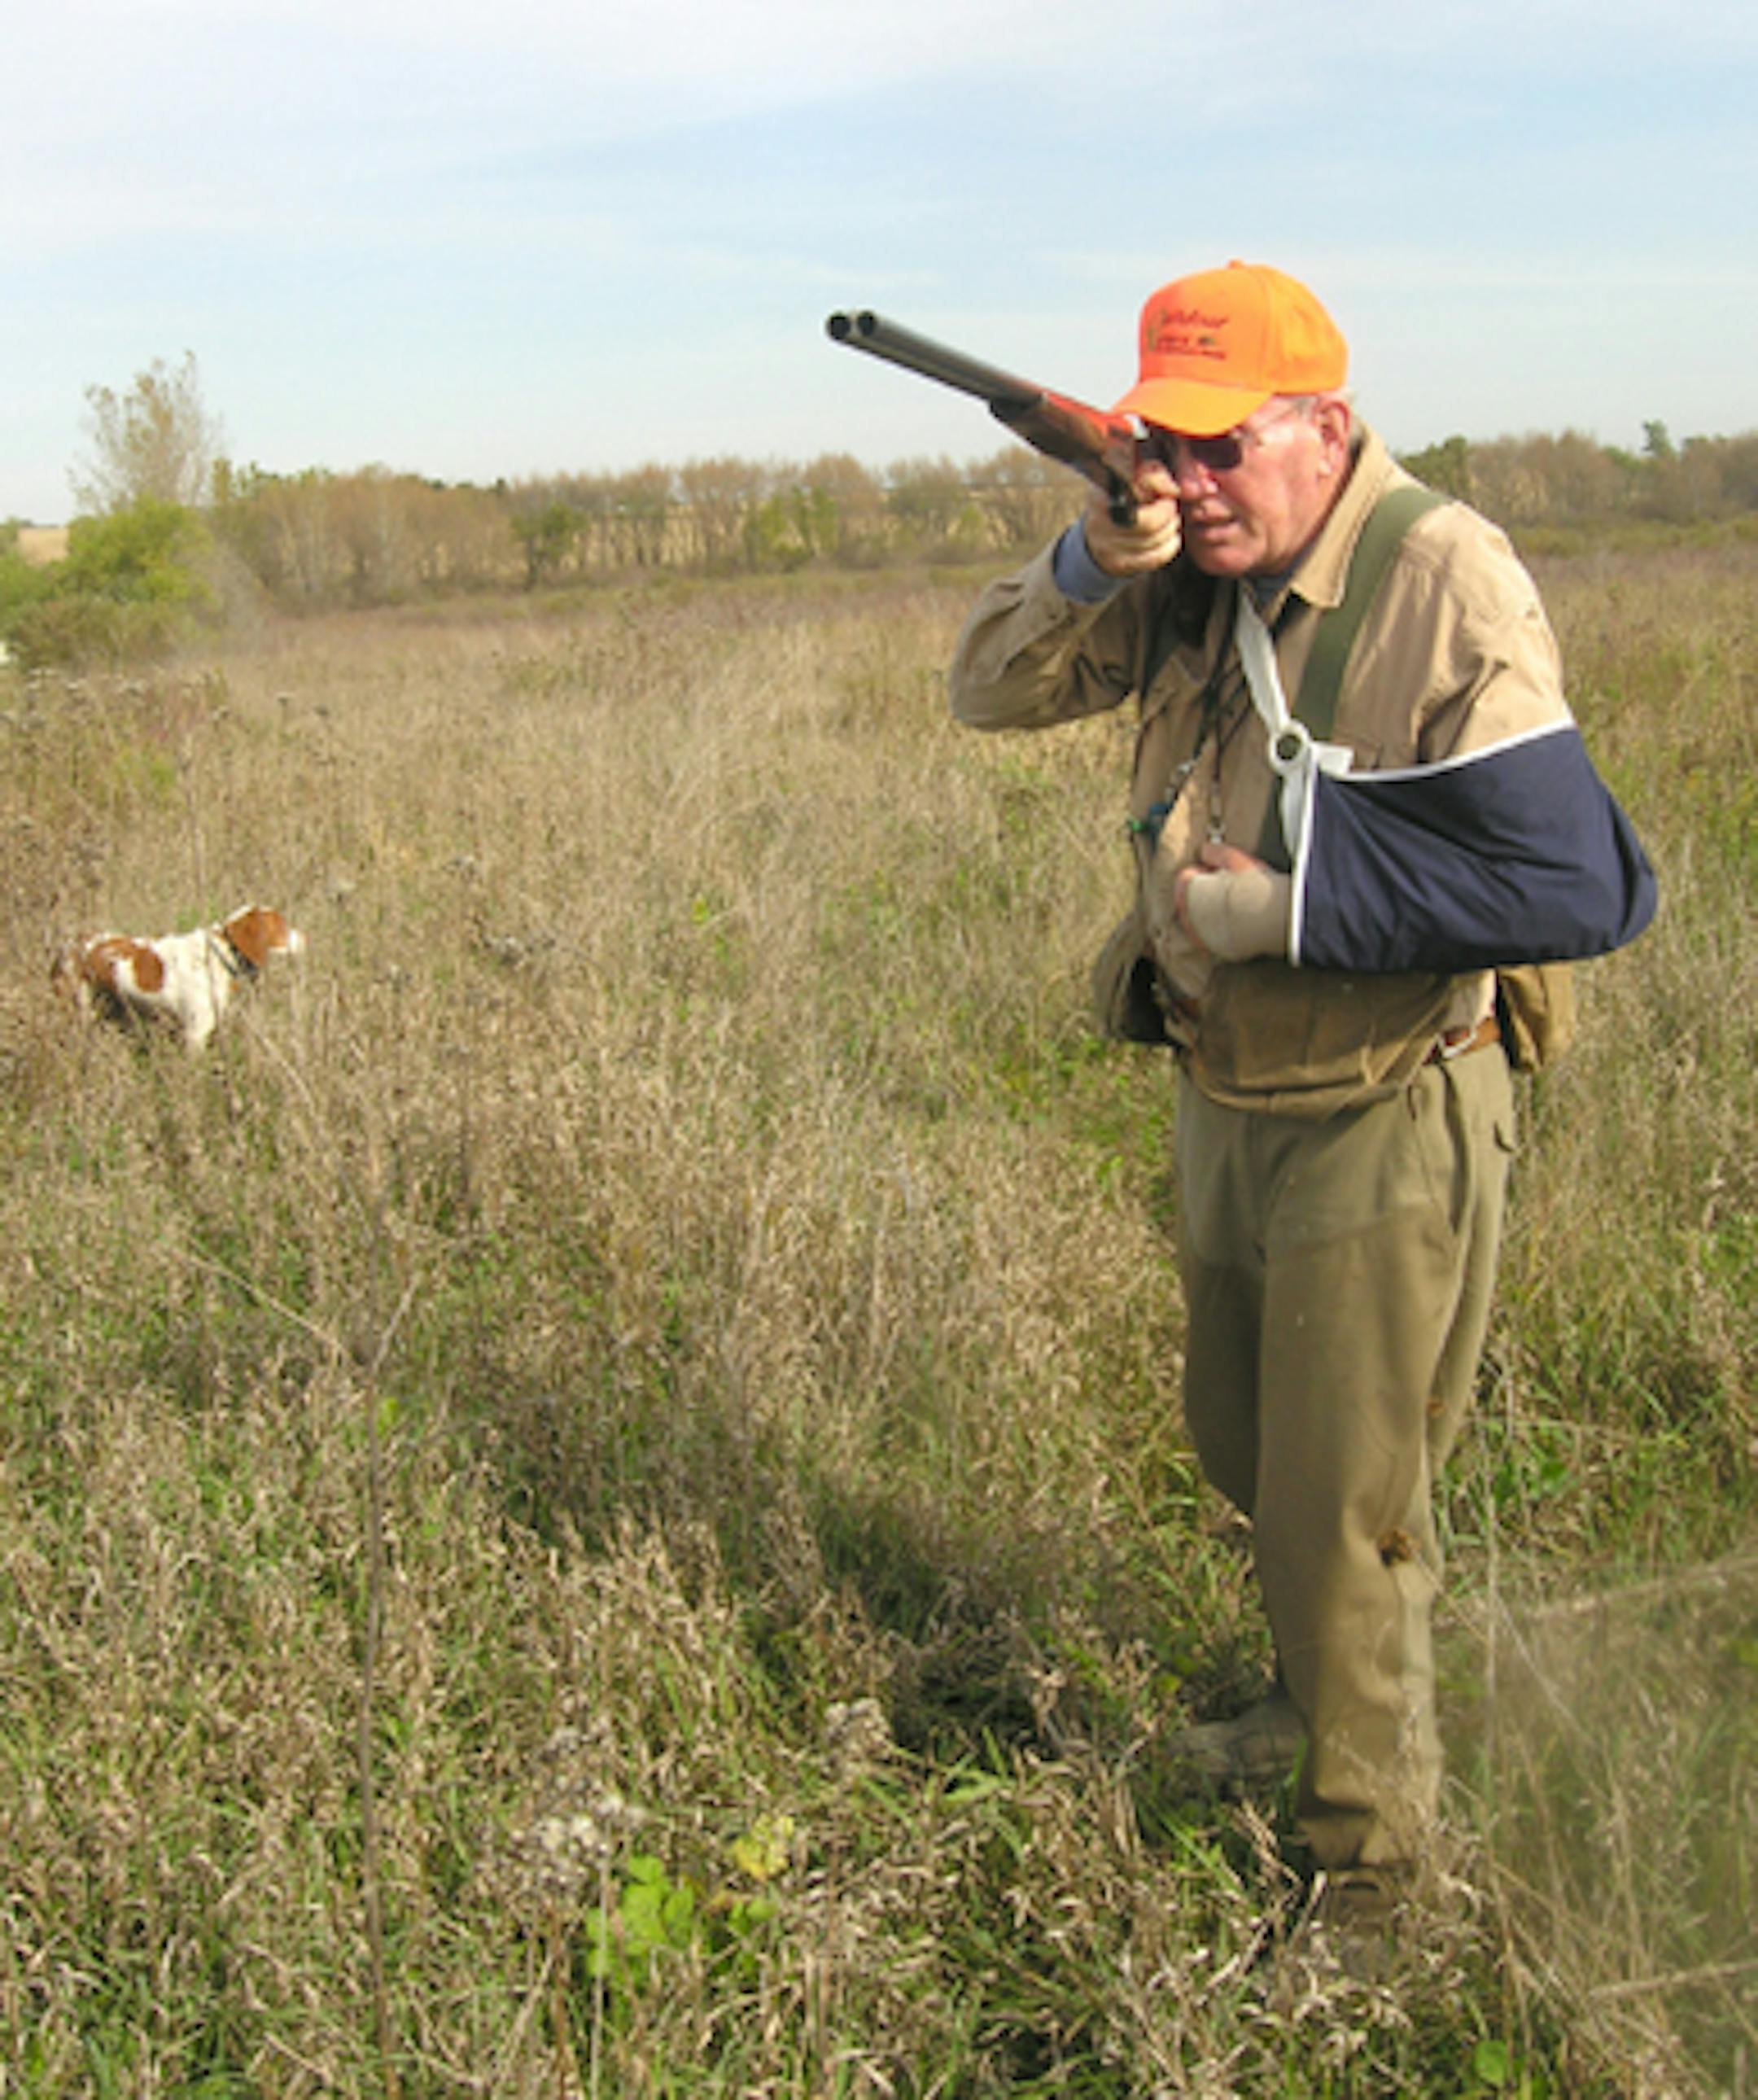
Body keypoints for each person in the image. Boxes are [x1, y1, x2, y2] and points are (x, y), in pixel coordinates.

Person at [949, 260, 1656, 1928]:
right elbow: (985, 688)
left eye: (1219, 448)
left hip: (1383, 1108)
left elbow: (1583, 884)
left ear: (1326, 428)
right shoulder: (1196, 564)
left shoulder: (1443, 574)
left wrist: (1286, 911)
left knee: (1352, 1508)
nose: (1186, 485)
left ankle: (1372, 1869)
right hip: (1231, 1092)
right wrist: (1085, 554)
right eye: (1158, 449)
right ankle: (1304, 1707)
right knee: (1253, 1452)